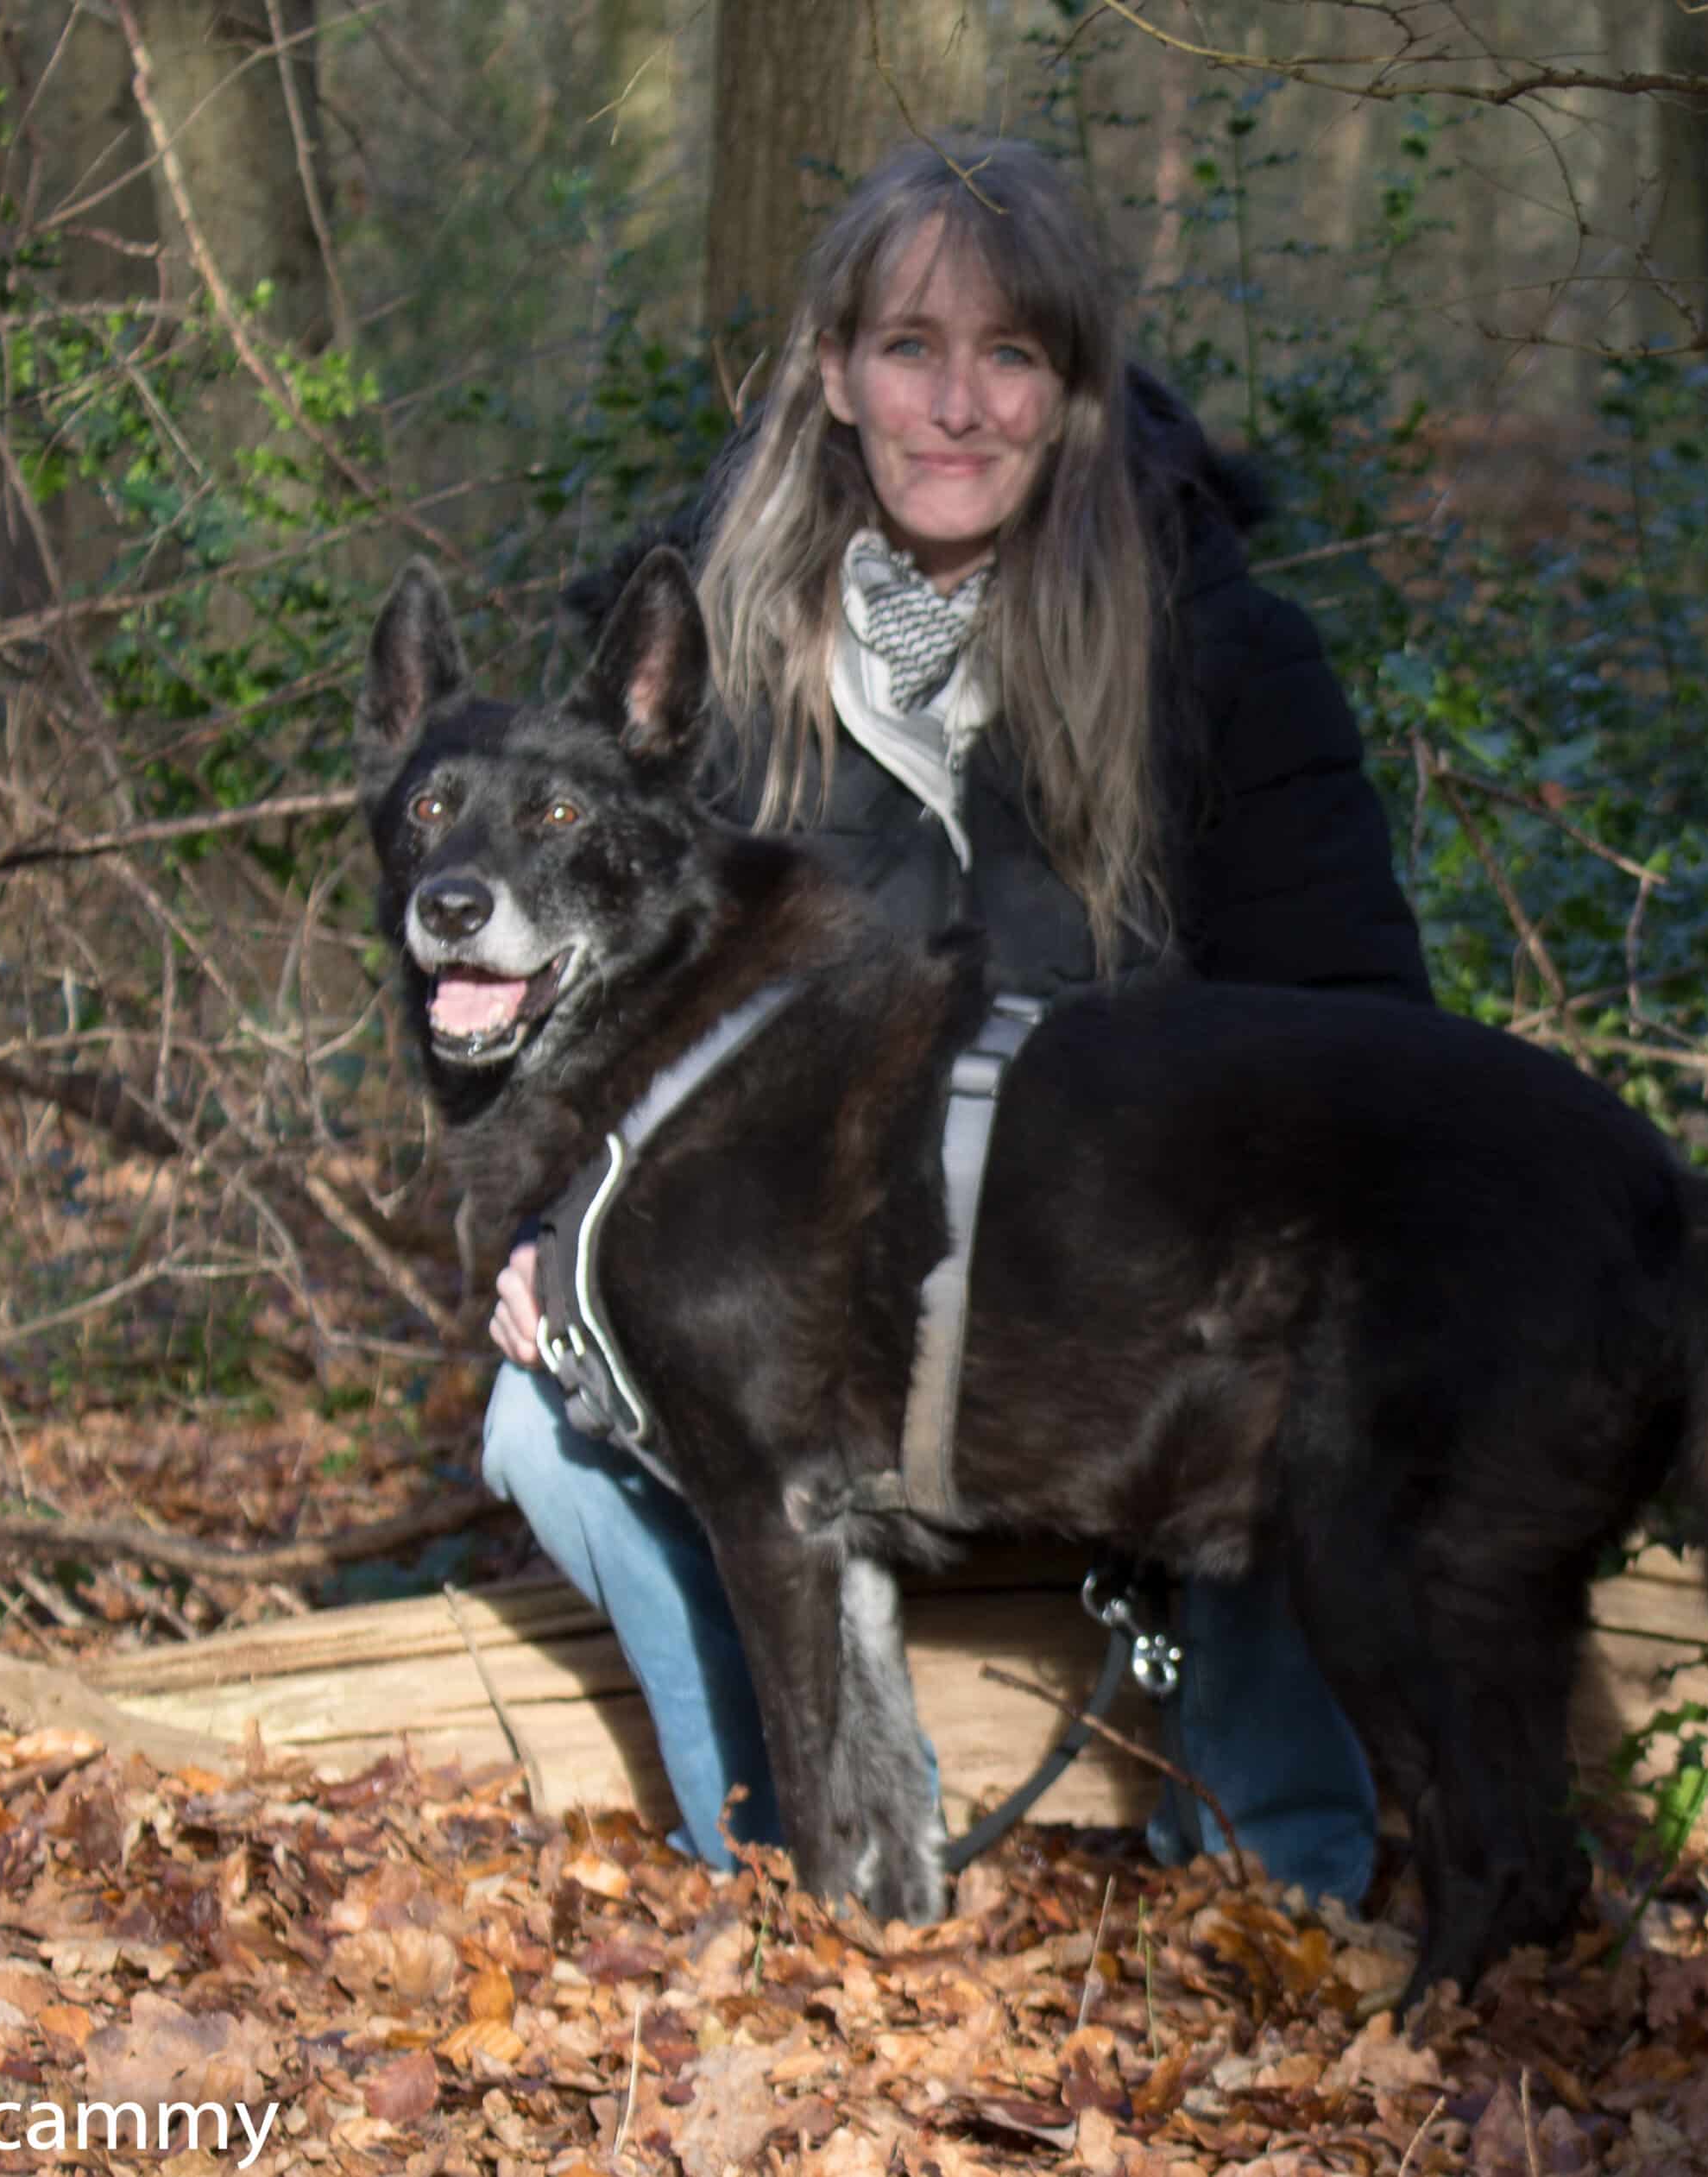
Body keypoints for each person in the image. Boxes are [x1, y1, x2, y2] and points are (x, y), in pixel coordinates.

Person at [481, 136, 1434, 1907]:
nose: (957, 404)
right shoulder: (703, 668)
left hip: (1126, 1290)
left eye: (1010, 356)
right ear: (834, 372)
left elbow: (1355, 1035)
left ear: (1073, 390)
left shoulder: (1220, 652)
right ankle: (808, 1848)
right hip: (812, 1306)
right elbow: (591, 1011)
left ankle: (1267, 1871)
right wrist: (563, 1228)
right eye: (910, 348)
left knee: (1321, 1330)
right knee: (535, 1417)